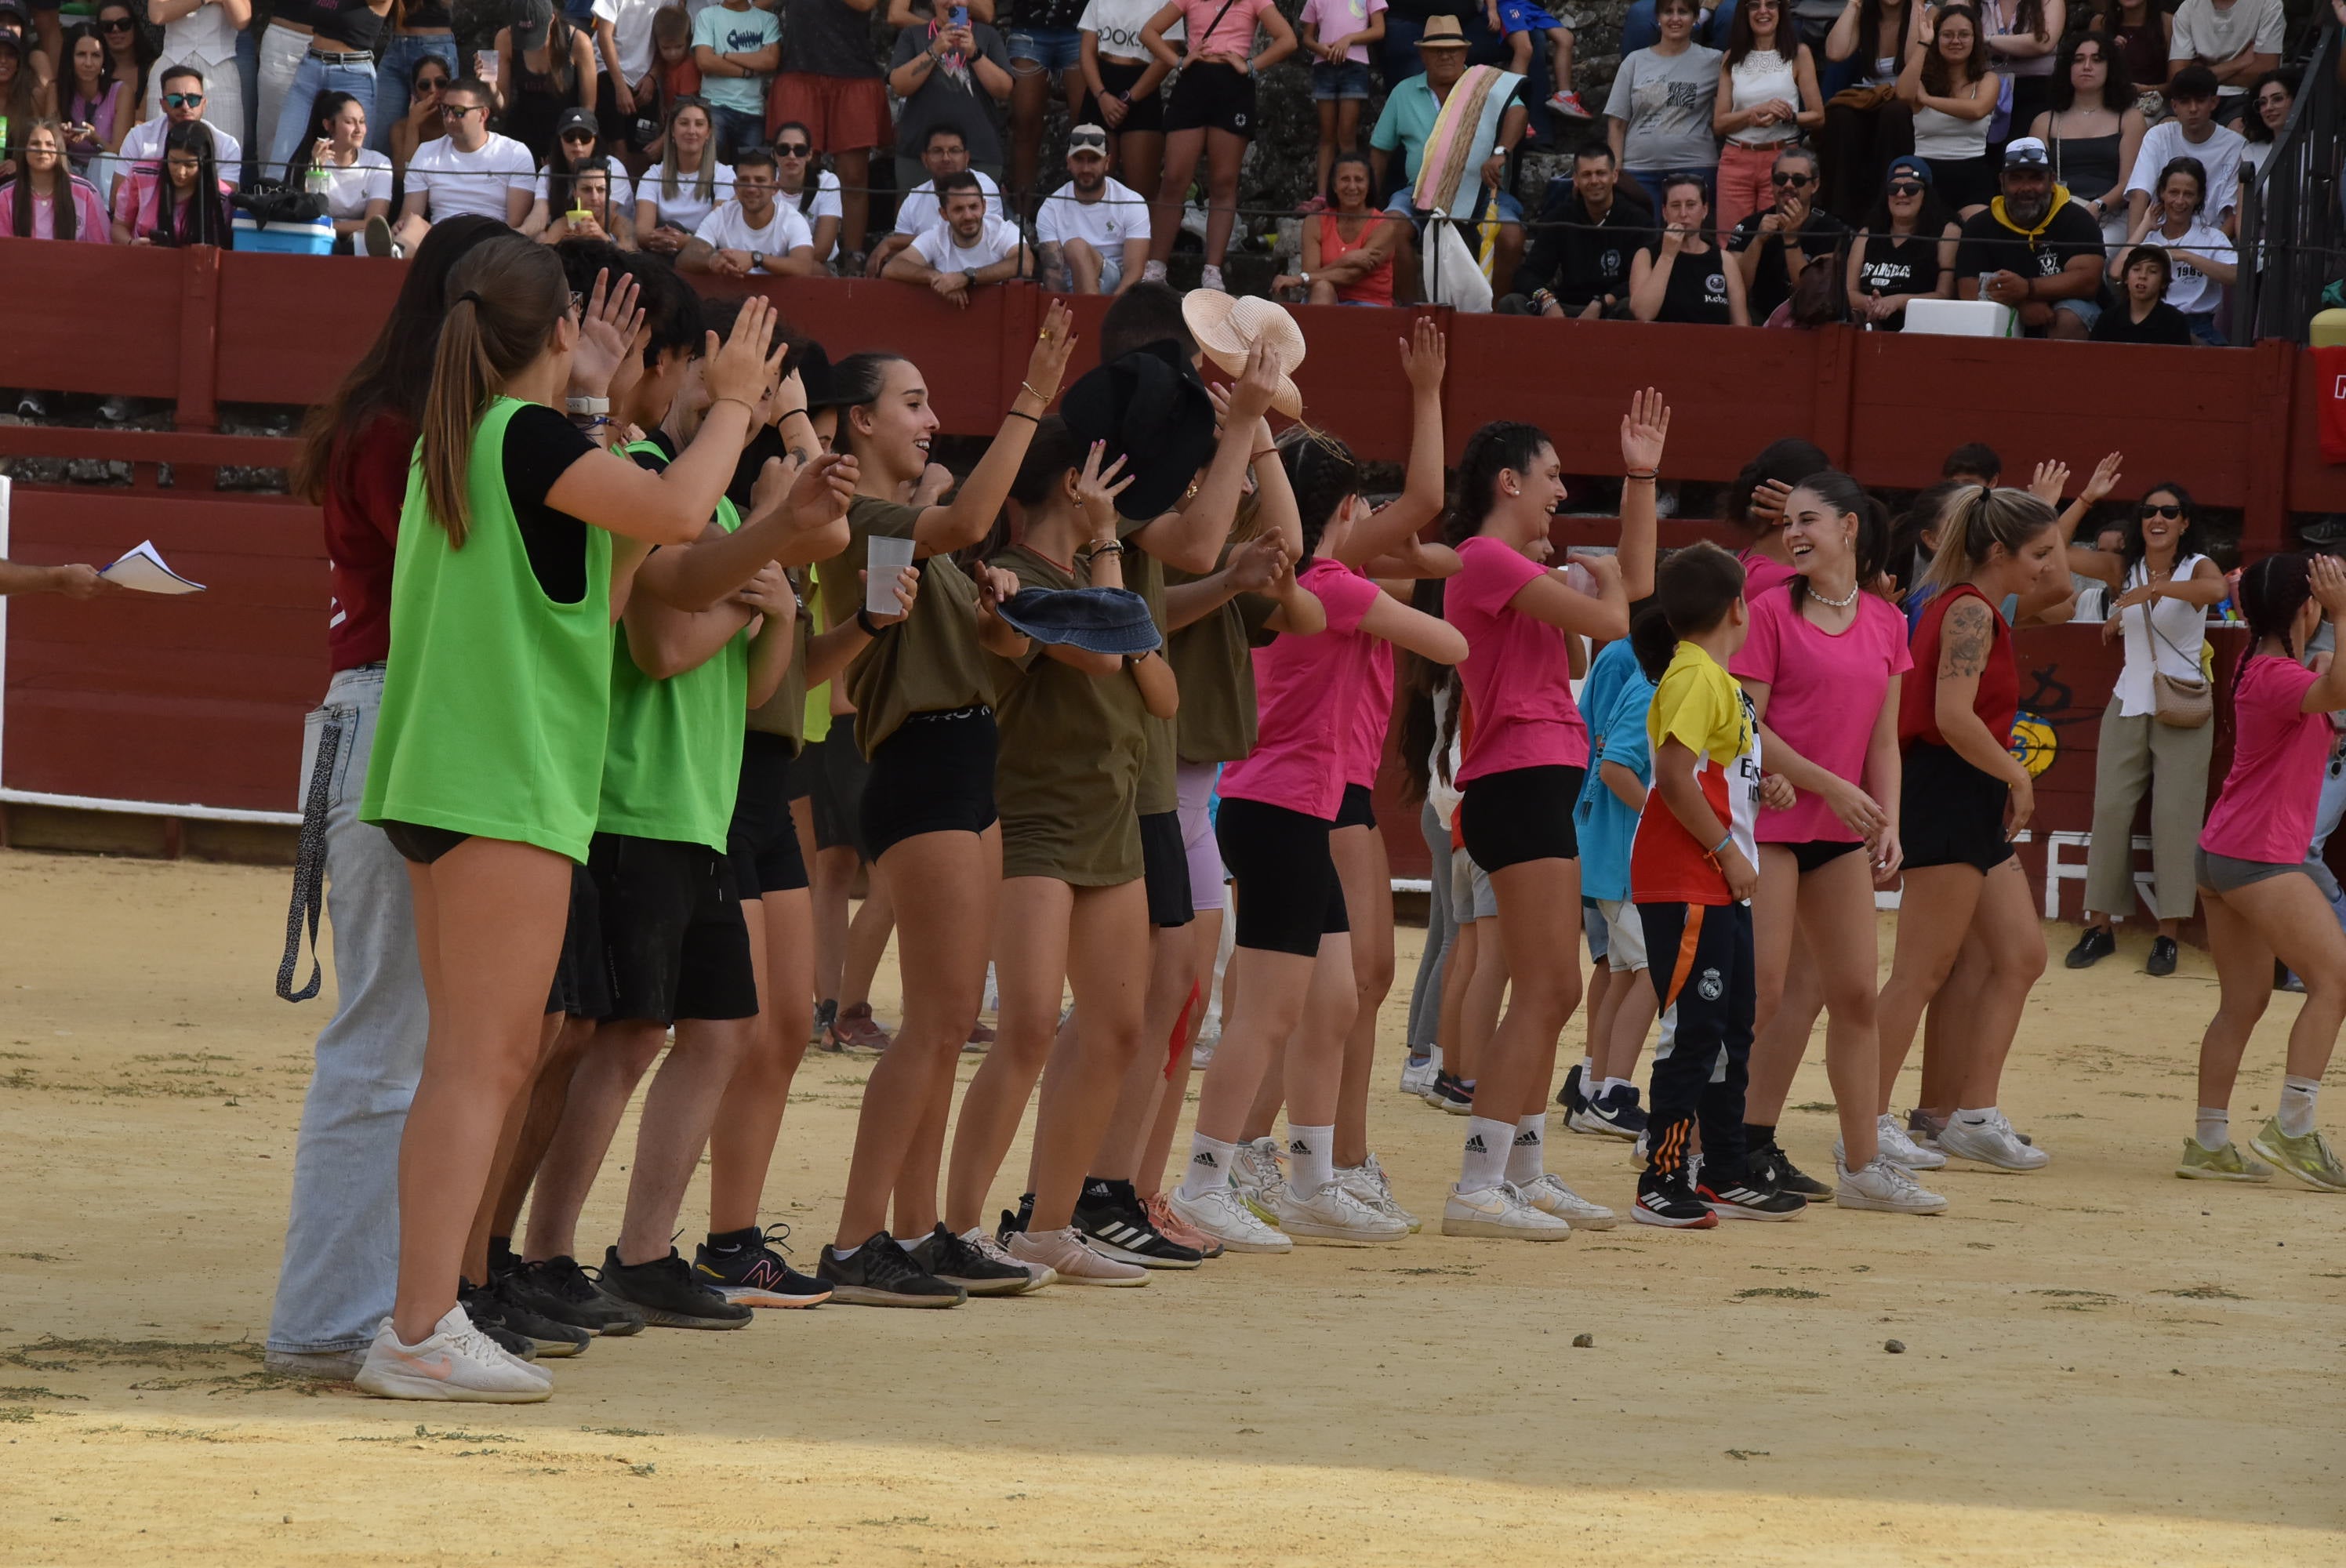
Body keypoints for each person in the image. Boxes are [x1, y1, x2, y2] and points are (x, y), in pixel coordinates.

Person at [348, 243, 776, 1402]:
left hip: (449, 781)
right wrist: (733, 407)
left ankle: (423, 1318)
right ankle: (421, 1324)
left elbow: (620, 575)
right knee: (481, 1067)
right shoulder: (521, 440)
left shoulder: (481, 435)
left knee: (471, 1063)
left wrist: (591, 398)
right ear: (548, 336)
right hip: (503, 783)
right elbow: (683, 507)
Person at [267, 214, 512, 1382]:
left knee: (402, 1040)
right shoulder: (402, 435)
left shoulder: (397, 422)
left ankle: (361, 1313)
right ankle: (331, 1321)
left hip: (384, 720)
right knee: (386, 1043)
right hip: (392, 719)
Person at [808, 309, 1079, 1307]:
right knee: (932, 1023)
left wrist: (997, 606)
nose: (929, 418)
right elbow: (963, 522)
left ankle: (915, 1228)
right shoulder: (859, 522)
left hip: (967, 757)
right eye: (910, 403)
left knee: (947, 1016)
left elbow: (1004, 651)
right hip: (922, 765)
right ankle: (852, 1241)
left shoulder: (906, 532)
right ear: (858, 422)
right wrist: (1030, 400)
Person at [1168, 431, 1468, 1252]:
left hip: (1302, 805)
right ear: (1343, 508)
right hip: (1280, 808)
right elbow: (1451, 644)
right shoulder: (1332, 583)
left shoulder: (1318, 579)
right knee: (1266, 1012)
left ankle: (1307, 1176)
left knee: (1331, 999)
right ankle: (1204, 1179)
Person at [936, 428, 1187, 1284]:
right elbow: (1113, 655)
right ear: (1068, 490)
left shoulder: (1082, 583)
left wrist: (1111, 561)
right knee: (1032, 1022)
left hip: (1109, 822)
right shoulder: (1012, 577)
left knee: (1118, 1028)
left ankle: (1046, 1226)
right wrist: (1113, 549)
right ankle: (960, 1224)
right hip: (1035, 820)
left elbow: (1161, 692)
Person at [1433, 397, 1664, 1241]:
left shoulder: (1505, 562)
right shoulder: (1483, 556)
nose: (1562, 489)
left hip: (1535, 777)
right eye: (1554, 474)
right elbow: (1617, 616)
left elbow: (1629, 591)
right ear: (1509, 480)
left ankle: (1518, 1169)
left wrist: (1640, 476)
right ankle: (1479, 1182)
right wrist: (1600, 581)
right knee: (1545, 986)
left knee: (1555, 985)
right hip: (1517, 777)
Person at [1730, 471, 1948, 1214]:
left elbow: (1885, 739)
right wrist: (1833, 786)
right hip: (1770, 825)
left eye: (1809, 520)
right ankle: (1725, 1147)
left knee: (1854, 995)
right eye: (1789, 522)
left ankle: (1862, 1165)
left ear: (1850, 528)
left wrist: (1887, 818)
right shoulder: (1767, 613)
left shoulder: (1888, 621)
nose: (1794, 533)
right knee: (1760, 993)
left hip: (1837, 831)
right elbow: (1746, 728)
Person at [1873, 485, 2065, 1174]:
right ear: (1997, 552)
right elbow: (1953, 717)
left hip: (1966, 791)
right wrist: (2018, 774)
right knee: (1920, 971)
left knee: (2020, 955)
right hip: (1950, 789)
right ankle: (1866, 1120)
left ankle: (1974, 1115)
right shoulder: (1968, 613)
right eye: (2039, 552)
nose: (2047, 566)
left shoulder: (1968, 605)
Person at [1623, 542, 1808, 1226]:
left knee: (1730, 1027)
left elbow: (1709, 773)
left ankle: (1723, 1166)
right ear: (1739, 607)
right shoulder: (1698, 677)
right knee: (1697, 1029)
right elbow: (1673, 775)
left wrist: (1768, 786)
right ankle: (1663, 1176)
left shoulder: (1714, 680)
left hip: (1713, 877)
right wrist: (1729, 849)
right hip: (1690, 876)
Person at [2181, 551, 2346, 1191]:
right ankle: (2294, 1128)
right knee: (2334, 981)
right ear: (2306, 608)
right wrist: (2341, 613)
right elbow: (2334, 695)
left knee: (2243, 1001)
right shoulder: (2280, 674)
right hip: (2257, 856)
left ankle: (2210, 1140)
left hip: (2223, 851)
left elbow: (2322, 686)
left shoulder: (2260, 664)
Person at [2065, 476, 2222, 975]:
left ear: (2185, 522)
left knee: (2175, 819)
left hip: (2184, 704)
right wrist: (2086, 497)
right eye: (2150, 511)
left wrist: (2151, 591)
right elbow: (2053, 548)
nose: (2158, 519)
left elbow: (2215, 589)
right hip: (2129, 699)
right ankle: (2100, 927)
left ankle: (2167, 934)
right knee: (2110, 810)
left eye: (2170, 512)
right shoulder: (2121, 566)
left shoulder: (2196, 565)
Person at [1567, 617, 1658, 1142]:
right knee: (1655, 969)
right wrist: (1667, 823)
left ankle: (1595, 1091)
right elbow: (1615, 769)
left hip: (1612, 859)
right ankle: (1613, 1094)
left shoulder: (1640, 681)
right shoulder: (1650, 690)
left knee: (1625, 974)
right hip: (1625, 863)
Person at [1367, 15, 1529, 299]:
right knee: (1389, 228)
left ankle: (1494, 317)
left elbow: (1519, 111)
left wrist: (1500, 152)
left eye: (1452, 50)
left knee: (1512, 236)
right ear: (1422, 54)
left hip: (1482, 192)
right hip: (1418, 192)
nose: (1445, 56)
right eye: (1436, 50)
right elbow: (1380, 150)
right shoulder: (1403, 92)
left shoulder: (1484, 83)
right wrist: (1370, 204)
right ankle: (1410, 312)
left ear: (1465, 52)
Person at [1140, 0, 1295, 292]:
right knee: (1174, 178)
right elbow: (1149, 32)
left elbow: (1288, 39)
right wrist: (1179, 61)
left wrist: (1251, 65)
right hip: (1194, 80)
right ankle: (1156, 267)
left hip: (1233, 85)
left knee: (1224, 181)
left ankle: (1212, 270)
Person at [767, 0, 892, 267]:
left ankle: (853, 257)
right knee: (799, 164)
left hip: (853, 70)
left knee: (854, 174)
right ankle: (796, 251)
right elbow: (761, 3)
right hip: (800, 67)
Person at [1952, 136, 2105, 339]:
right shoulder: (1979, 225)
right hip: (2006, 306)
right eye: (2016, 178)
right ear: (2002, 182)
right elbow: (1968, 289)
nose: (2025, 188)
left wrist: (2027, 288)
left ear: (2052, 180)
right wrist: (2019, 305)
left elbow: (2087, 281)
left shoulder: (2077, 218)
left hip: (2068, 313)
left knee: (2068, 317)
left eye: (2035, 177)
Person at [380, 78, 533, 256]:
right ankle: (392, 251)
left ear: (483, 115)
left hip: (489, 240)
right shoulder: (426, 152)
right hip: (440, 236)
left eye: (459, 112)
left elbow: (514, 224)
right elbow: (410, 213)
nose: (450, 118)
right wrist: (402, 225)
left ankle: (392, 251)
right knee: (413, 224)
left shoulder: (515, 153)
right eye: (445, 109)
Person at [1709, 0, 1821, 235]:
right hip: (1736, 159)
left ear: (1781, 10)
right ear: (1745, 13)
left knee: (1776, 241)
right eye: (1754, 6)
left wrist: (1788, 117)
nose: (1763, 11)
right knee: (1731, 242)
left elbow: (1818, 116)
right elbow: (1719, 123)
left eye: (1770, 4)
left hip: (1782, 160)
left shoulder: (1799, 53)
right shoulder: (1731, 58)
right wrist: (1753, 113)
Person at [888, 0, 1013, 207]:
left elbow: (1004, 90)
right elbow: (900, 86)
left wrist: (975, 53)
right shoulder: (913, 35)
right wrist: (934, 50)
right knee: (913, 218)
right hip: (919, 152)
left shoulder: (987, 35)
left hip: (979, 152)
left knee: (977, 220)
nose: (953, 2)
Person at [2027, 30, 2143, 251]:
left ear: (2111, 68)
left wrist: (2097, 207)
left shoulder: (2129, 118)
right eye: (2079, 60)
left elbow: (2130, 182)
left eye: (2097, 60)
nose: (2087, 66)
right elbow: (2036, 181)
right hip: (2057, 214)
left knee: (2099, 248)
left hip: (2111, 216)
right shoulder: (2044, 122)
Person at [1506, 141, 1652, 318]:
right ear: (1576, 180)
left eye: (1601, 173)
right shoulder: (1560, 218)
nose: (1594, 181)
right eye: (1587, 174)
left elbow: (1639, 282)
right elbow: (1528, 274)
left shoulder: (1636, 219)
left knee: (1631, 307)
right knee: (1512, 303)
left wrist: (1602, 302)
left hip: (1610, 309)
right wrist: (1546, 300)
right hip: (1566, 308)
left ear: (1614, 176)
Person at [261, 0, 392, 183]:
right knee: (281, 160)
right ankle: (276, 207)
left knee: (352, 163)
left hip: (352, 74)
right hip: (310, 69)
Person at [1605, 0, 1723, 205]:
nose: (1675, 18)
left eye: (1683, 12)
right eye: (1668, 12)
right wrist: (1617, 170)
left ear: (1696, 18)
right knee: (1644, 236)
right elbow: (1617, 123)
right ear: (1658, 19)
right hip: (1639, 171)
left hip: (1694, 169)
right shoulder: (1634, 61)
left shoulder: (1715, 61)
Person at [2116, 155, 2236, 344]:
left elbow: (2235, 275)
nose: (2180, 201)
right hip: (2153, 322)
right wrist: (2145, 226)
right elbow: (2116, 272)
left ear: (2198, 198)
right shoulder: (2150, 237)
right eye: (2173, 192)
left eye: (2188, 194)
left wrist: (2185, 255)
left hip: (2197, 326)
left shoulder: (2212, 237)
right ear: (2162, 193)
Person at [1818, 0, 1916, 222]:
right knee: (1840, 116)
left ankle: (1886, 208)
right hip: (1869, 97)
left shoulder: (1927, 14)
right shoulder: (1866, 18)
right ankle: (1839, 216)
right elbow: (1835, 52)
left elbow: (1912, 58)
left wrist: (1917, 7)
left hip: (1908, 97)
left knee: (1895, 113)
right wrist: (1853, 5)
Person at [863, 124, 1006, 274]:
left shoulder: (983, 187)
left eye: (954, 151)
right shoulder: (914, 199)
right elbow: (904, 255)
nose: (946, 158)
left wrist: (891, 242)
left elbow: (972, 237)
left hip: (980, 280)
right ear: (925, 159)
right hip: (928, 287)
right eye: (937, 151)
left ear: (966, 158)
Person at [1726, 146, 1846, 323]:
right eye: (1781, 179)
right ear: (1772, 184)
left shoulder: (1831, 228)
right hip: (1758, 322)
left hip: (1809, 326)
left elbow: (1814, 296)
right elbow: (1734, 290)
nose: (1788, 185)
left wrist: (1791, 239)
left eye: (1798, 180)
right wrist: (1758, 241)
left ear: (1815, 185)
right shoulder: (1749, 224)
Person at [1898, 0, 1996, 213]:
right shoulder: (1922, 79)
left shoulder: (1988, 79)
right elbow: (1904, 94)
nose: (1956, 41)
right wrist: (1923, 43)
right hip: (1926, 173)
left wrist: (1927, 100)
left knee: (1973, 230)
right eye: (1947, 35)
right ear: (1937, 38)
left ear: (1975, 39)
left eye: (1964, 35)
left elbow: (1977, 110)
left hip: (1973, 174)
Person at [1270, 147, 1399, 303]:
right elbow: (1311, 275)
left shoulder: (1384, 226)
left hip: (1369, 305)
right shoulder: (1315, 221)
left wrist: (1299, 279)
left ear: (1369, 185)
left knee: (1322, 284)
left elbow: (1352, 275)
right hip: (1325, 298)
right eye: (1345, 179)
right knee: (1322, 287)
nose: (1352, 187)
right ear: (1334, 185)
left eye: (1359, 180)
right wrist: (1346, 260)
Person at [1845, 152, 1958, 328]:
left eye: (1911, 188)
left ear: (1926, 193)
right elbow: (1849, 291)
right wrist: (1873, 304)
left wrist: (1899, 301)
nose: (1901, 194)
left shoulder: (1947, 233)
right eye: (1893, 189)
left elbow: (1946, 295)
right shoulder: (1866, 234)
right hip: (1867, 328)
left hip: (1923, 331)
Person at [882, 165, 1029, 300]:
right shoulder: (937, 235)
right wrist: (938, 278)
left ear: (984, 206)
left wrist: (967, 277)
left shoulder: (1004, 231)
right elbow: (892, 268)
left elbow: (1025, 264)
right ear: (944, 214)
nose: (968, 216)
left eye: (973, 207)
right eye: (958, 209)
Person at [2124, 65, 2242, 233]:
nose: (2193, 109)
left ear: (2214, 102)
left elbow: (2233, 214)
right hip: (2160, 236)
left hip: (2211, 240)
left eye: (2200, 100)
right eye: (2185, 101)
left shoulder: (2236, 145)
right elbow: (2139, 193)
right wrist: (2134, 250)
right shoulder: (2157, 136)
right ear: (2174, 106)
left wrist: (2211, 250)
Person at [1036, 122, 1150, 292]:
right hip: (1070, 291)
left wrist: (1110, 312)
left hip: (1116, 286)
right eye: (1079, 160)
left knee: (1076, 247)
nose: (1086, 168)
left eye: (1094, 159)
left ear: (1107, 162)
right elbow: (1053, 273)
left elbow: (1134, 272)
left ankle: (1089, 314)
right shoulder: (1051, 208)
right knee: (1075, 250)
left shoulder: (1131, 201)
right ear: (1068, 162)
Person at [1076, 0, 1170, 202]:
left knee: (1142, 195)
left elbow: (1167, 56)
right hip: (1101, 86)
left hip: (1143, 89)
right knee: (1091, 189)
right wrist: (1101, 95)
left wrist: (1131, 98)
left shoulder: (1165, 2)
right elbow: (1086, 52)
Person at [1629, 172, 1750, 324]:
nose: (1683, 214)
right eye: (1675, 206)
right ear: (1664, 212)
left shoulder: (1725, 261)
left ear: (1705, 210)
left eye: (1691, 205)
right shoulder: (1646, 255)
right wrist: (1667, 256)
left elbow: (1742, 327)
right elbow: (1643, 313)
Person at [680, 143, 816, 273]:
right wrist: (713, 260)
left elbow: (804, 266)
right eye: (745, 180)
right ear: (735, 187)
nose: (751, 188)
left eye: (760, 181)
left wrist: (755, 259)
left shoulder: (791, 219)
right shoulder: (722, 214)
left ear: (775, 188)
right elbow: (686, 257)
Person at [1298, 0, 1385, 201]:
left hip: (1354, 67)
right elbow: (1307, 38)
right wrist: (1321, 49)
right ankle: (1323, 196)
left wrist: (1349, 39)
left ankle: (1352, 192)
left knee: (1346, 133)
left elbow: (1379, 30)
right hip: (1324, 66)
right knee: (1327, 134)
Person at [493, 0, 598, 166]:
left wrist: (565, 148)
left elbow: (588, 107)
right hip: (523, 130)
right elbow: (502, 106)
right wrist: (490, 85)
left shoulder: (579, 41)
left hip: (566, 130)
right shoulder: (505, 38)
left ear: (551, 19)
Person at [286, 88, 392, 249]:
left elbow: (375, 224)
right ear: (328, 125)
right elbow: (309, 216)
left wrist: (328, 228)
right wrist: (317, 169)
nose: (359, 129)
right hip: (317, 242)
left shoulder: (379, 163)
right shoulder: (309, 160)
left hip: (358, 242)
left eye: (362, 122)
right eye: (350, 122)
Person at [118, 63, 244, 197]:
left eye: (193, 99)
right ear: (163, 105)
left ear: (204, 104)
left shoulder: (227, 146)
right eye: (175, 100)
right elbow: (118, 199)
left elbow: (224, 205)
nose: (185, 106)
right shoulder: (139, 137)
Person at [631, 95, 731, 256]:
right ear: (672, 130)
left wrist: (684, 241)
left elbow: (717, 234)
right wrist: (662, 239)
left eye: (699, 124)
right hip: (661, 253)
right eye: (684, 123)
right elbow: (642, 232)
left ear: (708, 133)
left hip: (703, 258)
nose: (691, 131)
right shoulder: (653, 174)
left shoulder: (725, 175)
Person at [146, 0, 246, 157]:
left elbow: (242, 19)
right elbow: (157, 14)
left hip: (219, 69)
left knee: (223, 150)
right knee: (158, 149)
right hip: (172, 64)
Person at [111, 114, 230, 243]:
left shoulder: (221, 196)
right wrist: (131, 243)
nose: (180, 171)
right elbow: (119, 226)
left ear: (205, 164)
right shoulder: (140, 174)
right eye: (174, 161)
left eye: (189, 165)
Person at [521, 107, 630, 242]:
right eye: (570, 137)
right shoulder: (548, 172)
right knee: (541, 238)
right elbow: (539, 216)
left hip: (610, 237)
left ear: (595, 140)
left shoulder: (613, 168)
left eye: (585, 138)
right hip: (567, 236)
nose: (577, 143)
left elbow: (599, 215)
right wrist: (517, 233)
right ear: (560, 140)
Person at [691, 0, 779, 159]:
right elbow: (705, 61)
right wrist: (747, 71)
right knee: (706, 167)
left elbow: (770, 61)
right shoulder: (707, 15)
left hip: (753, 111)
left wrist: (725, 55)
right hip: (714, 106)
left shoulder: (768, 20)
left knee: (752, 173)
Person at [371, 0, 457, 158]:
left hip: (433, 44)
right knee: (379, 137)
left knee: (444, 123)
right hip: (396, 44)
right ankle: (389, 180)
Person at [1977, 0, 2060, 158]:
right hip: (1982, 87)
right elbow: (1955, 25)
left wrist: (1986, 39)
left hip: (2035, 91)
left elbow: (2043, 42)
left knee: (2025, 158)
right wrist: (2019, 44)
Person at [2165, 0, 2279, 112]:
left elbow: (2265, 73)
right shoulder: (2188, 8)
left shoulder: (2268, 4)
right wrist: (2239, 63)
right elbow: (2177, 79)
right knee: (2165, 127)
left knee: (2238, 128)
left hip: (2243, 96)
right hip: (2192, 97)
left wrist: (2198, 73)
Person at [1, 118, 107, 236]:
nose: (42, 150)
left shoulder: (87, 193)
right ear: (23, 149)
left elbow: (101, 249)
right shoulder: (5, 196)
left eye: (50, 144)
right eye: (35, 144)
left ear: (60, 149)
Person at [588, 0, 659, 168]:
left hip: (645, 80)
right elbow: (604, 35)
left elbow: (669, 39)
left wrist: (653, 78)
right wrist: (619, 86)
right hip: (609, 73)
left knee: (643, 157)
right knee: (618, 155)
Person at [58, 23, 132, 174]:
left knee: (106, 160)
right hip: (69, 170)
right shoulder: (57, 89)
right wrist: (61, 137)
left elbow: (117, 154)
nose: (88, 63)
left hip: (105, 174)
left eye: (96, 55)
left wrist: (95, 138)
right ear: (69, 58)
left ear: (104, 60)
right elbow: (47, 141)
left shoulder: (121, 92)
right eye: (81, 55)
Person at [2090, 241, 2194, 343]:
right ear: (2126, 277)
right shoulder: (2108, 319)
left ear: (2164, 282)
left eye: (2153, 271)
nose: (2143, 276)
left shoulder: (2175, 321)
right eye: (2136, 269)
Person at [771, 121, 844, 265]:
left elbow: (822, 251)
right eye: (783, 149)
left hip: (813, 265)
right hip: (768, 263)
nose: (792, 156)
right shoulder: (764, 181)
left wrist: (780, 266)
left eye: (799, 150)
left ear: (810, 154)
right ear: (773, 154)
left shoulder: (827, 181)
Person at [387, 48, 448, 180]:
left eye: (441, 83)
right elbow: (402, 176)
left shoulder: (458, 121)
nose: (433, 90)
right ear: (415, 91)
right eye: (425, 85)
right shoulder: (401, 128)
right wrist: (413, 125)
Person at [98, 2, 158, 129]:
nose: (115, 30)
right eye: (107, 26)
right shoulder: (92, 67)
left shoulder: (154, 67)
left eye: (123, 24)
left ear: (135, 26)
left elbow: (144, 117)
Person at [2238, 67, 2292, 181]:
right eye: (2263, 102)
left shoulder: (2319, 145)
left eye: (2277, 99)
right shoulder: (2250, 152)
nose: (2269, 108)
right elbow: (2244, 198)